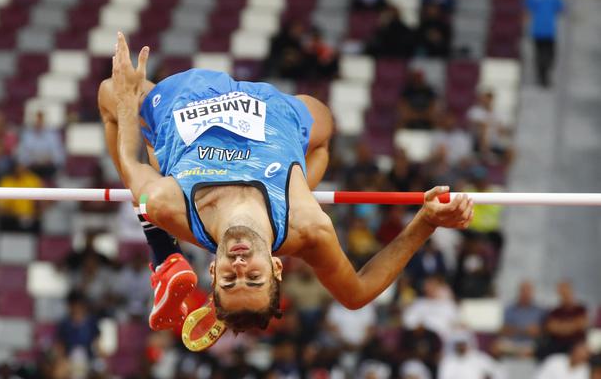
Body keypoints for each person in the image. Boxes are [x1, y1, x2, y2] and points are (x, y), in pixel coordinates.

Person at [98, 34, 473, 336]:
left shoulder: (168, 204)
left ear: (212, 271)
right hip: (271, 114)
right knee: (323, 126)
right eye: (254, 276)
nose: (240, 265)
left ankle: (162, 252)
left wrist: (129, 103)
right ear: (276, 268)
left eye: (229, 278)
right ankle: (175, 241)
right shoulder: (307, 227)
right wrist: (425, 222)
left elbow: (130, 164)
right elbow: (357, 294)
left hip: (188, 100)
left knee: (107, 96)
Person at [525, 0, 564, 87]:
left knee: (540, 54)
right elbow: (561, 8)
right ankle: (544, 77)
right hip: (548, 31)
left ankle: (542, 77)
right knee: (549, 55)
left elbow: (528, 7)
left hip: (538, 31)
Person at [497, 280, 546, 358]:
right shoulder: (510, 309)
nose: (525, 294)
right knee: (497, 347)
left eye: (528, 291)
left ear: (532, 293)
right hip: (512, 343)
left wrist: (516, 329)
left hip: (531, 345)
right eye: (523, 291)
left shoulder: (539, 311)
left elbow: (541, 331)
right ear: (519, 292)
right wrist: (525, 330)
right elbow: (504, 329)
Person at [543, 279, 589, 356]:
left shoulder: (581, 310)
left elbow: (582, 324)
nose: (565, 294)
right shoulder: (555, 312)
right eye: (562, 292)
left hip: (576, 345)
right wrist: (572, 325)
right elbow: (551, 328)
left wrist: (561, 327)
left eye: (566, 291)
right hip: (557, 345)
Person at [16, 110, 65, 180]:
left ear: (43, 120)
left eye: (40, 119)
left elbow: (59, 154)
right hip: (32, 167)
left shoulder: (52, 135)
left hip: (49, 168)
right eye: (36, 120)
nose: (38, 122)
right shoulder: (26, 135)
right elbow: (22, 154)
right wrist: (32, 161)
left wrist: (50, 160)